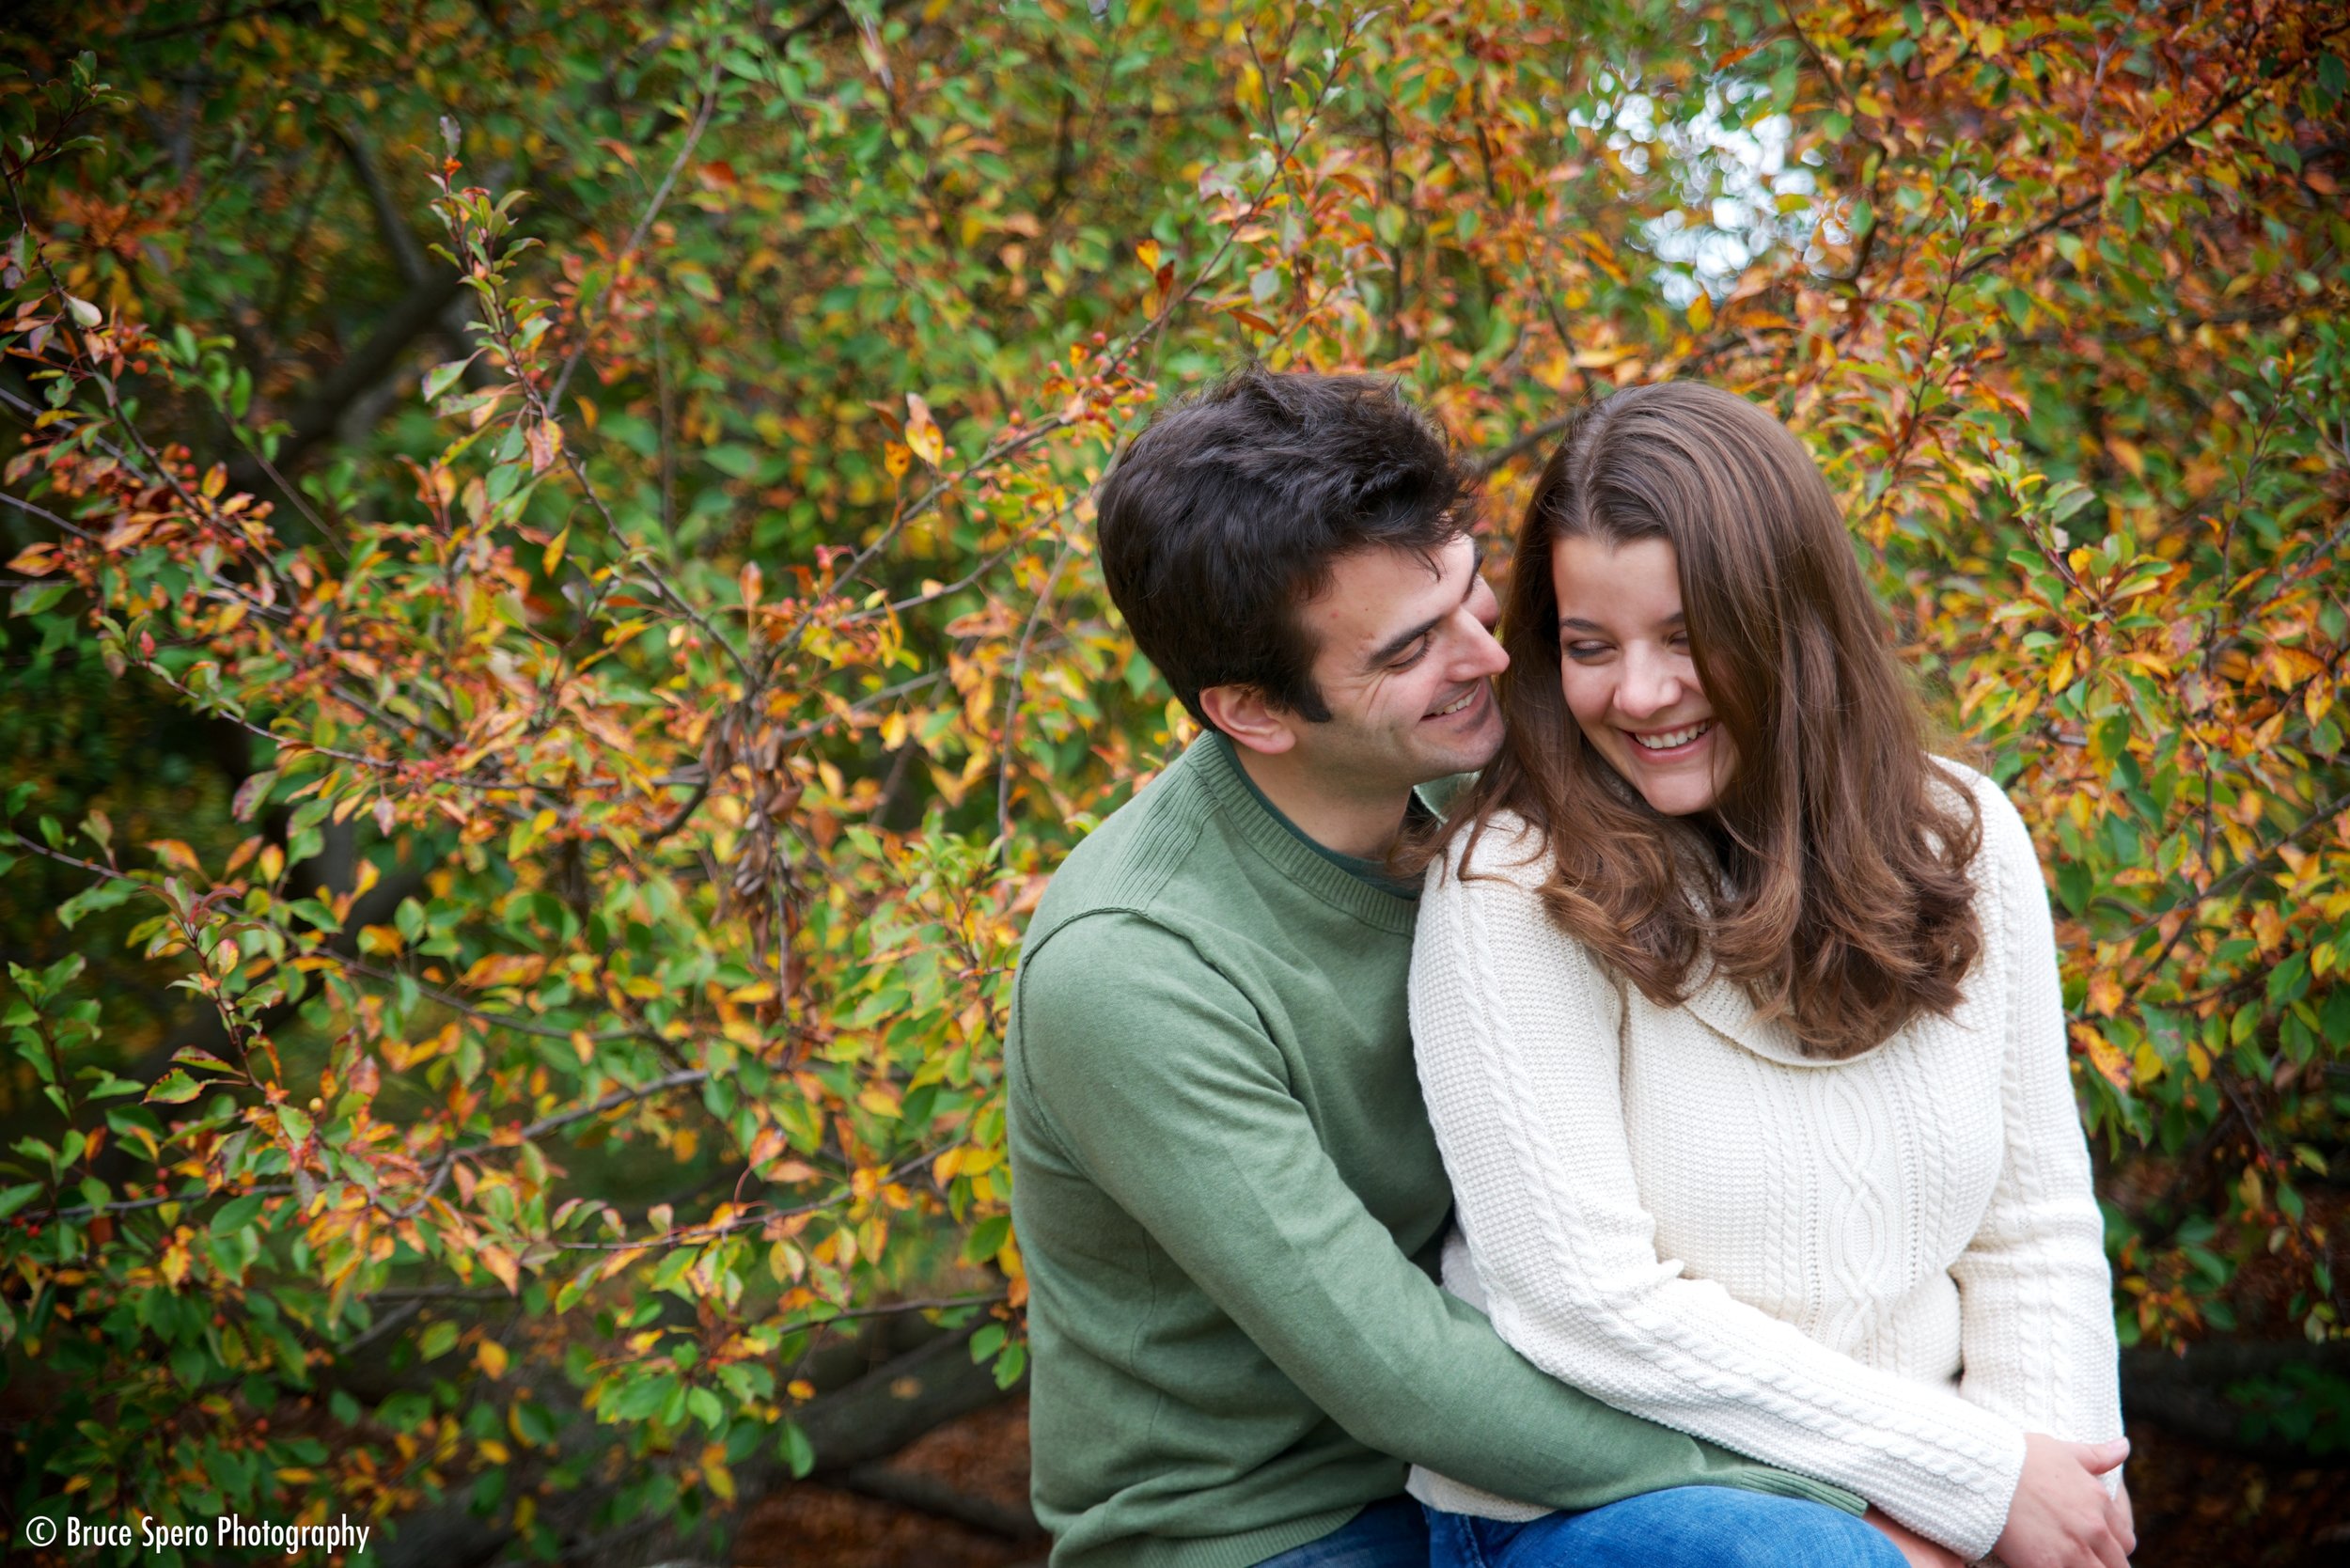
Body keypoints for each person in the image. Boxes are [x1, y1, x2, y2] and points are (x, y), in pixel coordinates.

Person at [1005, 366, 1906, 1568]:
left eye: (1472, 596)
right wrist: (1845, 1489)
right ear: (1252, 712)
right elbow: (1398, 1375)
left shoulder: (1496, 788)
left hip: (1529, 1462)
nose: (1488, 656)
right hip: (1263, 1527)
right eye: (1411, 648)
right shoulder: (1130, 973)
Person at [1406, 381, 2134, 1568]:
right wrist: (1963, 1485)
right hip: (1619, 1508)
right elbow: (1588, 1307)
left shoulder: (1964, 834)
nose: (1637, 695)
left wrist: (2052, 1505)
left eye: (1687, 638)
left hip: (1921, 1493)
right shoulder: (1508, 885)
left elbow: (2033, 1231)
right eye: (1590, 647)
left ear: (1791, 621)